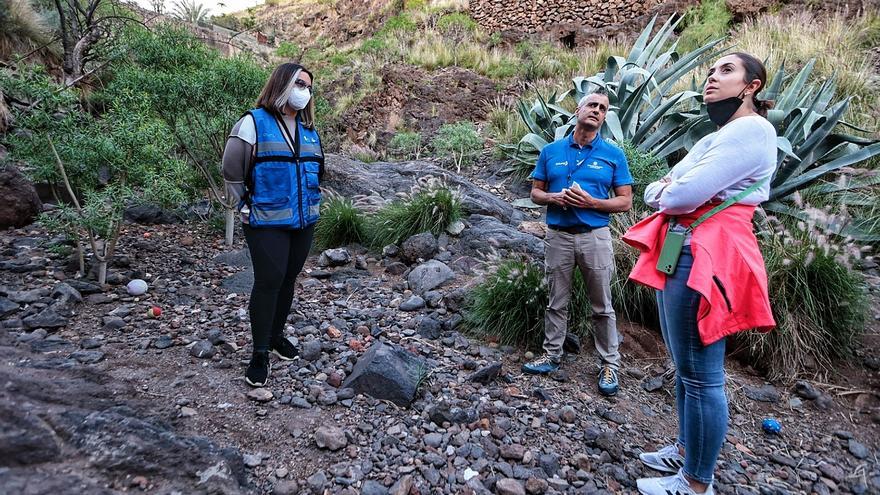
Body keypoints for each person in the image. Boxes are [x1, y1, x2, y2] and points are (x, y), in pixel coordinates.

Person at [623, 53, 778, 495]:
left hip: (705, 251)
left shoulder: (752, 129)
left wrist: (670, 191)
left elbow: (681, 192)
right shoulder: (723, 133)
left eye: (726, 71)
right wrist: (669, 191)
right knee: (686, 366)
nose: (712, 78)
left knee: (701, 373)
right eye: (710, 71)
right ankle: (686, 449)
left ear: (752, 85)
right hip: (685, 244)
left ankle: (695, 482)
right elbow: (663, 187)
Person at [521, 88, 633, 397]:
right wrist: (554, 197)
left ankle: (610, 364)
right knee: (556, 300)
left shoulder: (613, 154)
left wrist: (591, 203)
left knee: (602, 305)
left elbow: (625, 202)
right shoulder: (551, 151)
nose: (597, 110)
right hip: (558, 236)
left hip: (595, 238)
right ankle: (551, 355)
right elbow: (535, 193)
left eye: (603, 108)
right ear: (578, 110)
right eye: (592, 105)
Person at [222, 62, 324, 387]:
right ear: (282, 84)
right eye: (299, 84)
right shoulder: (253, 123)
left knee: (289, 279)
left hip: (304, 220)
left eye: (308, 86)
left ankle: (277, 337)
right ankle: (260, 352)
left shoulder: (310, 132)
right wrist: (245, 203)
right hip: (265, 221)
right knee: (269, 281)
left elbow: (318, 172)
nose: (304, 91)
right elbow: (231, 169)